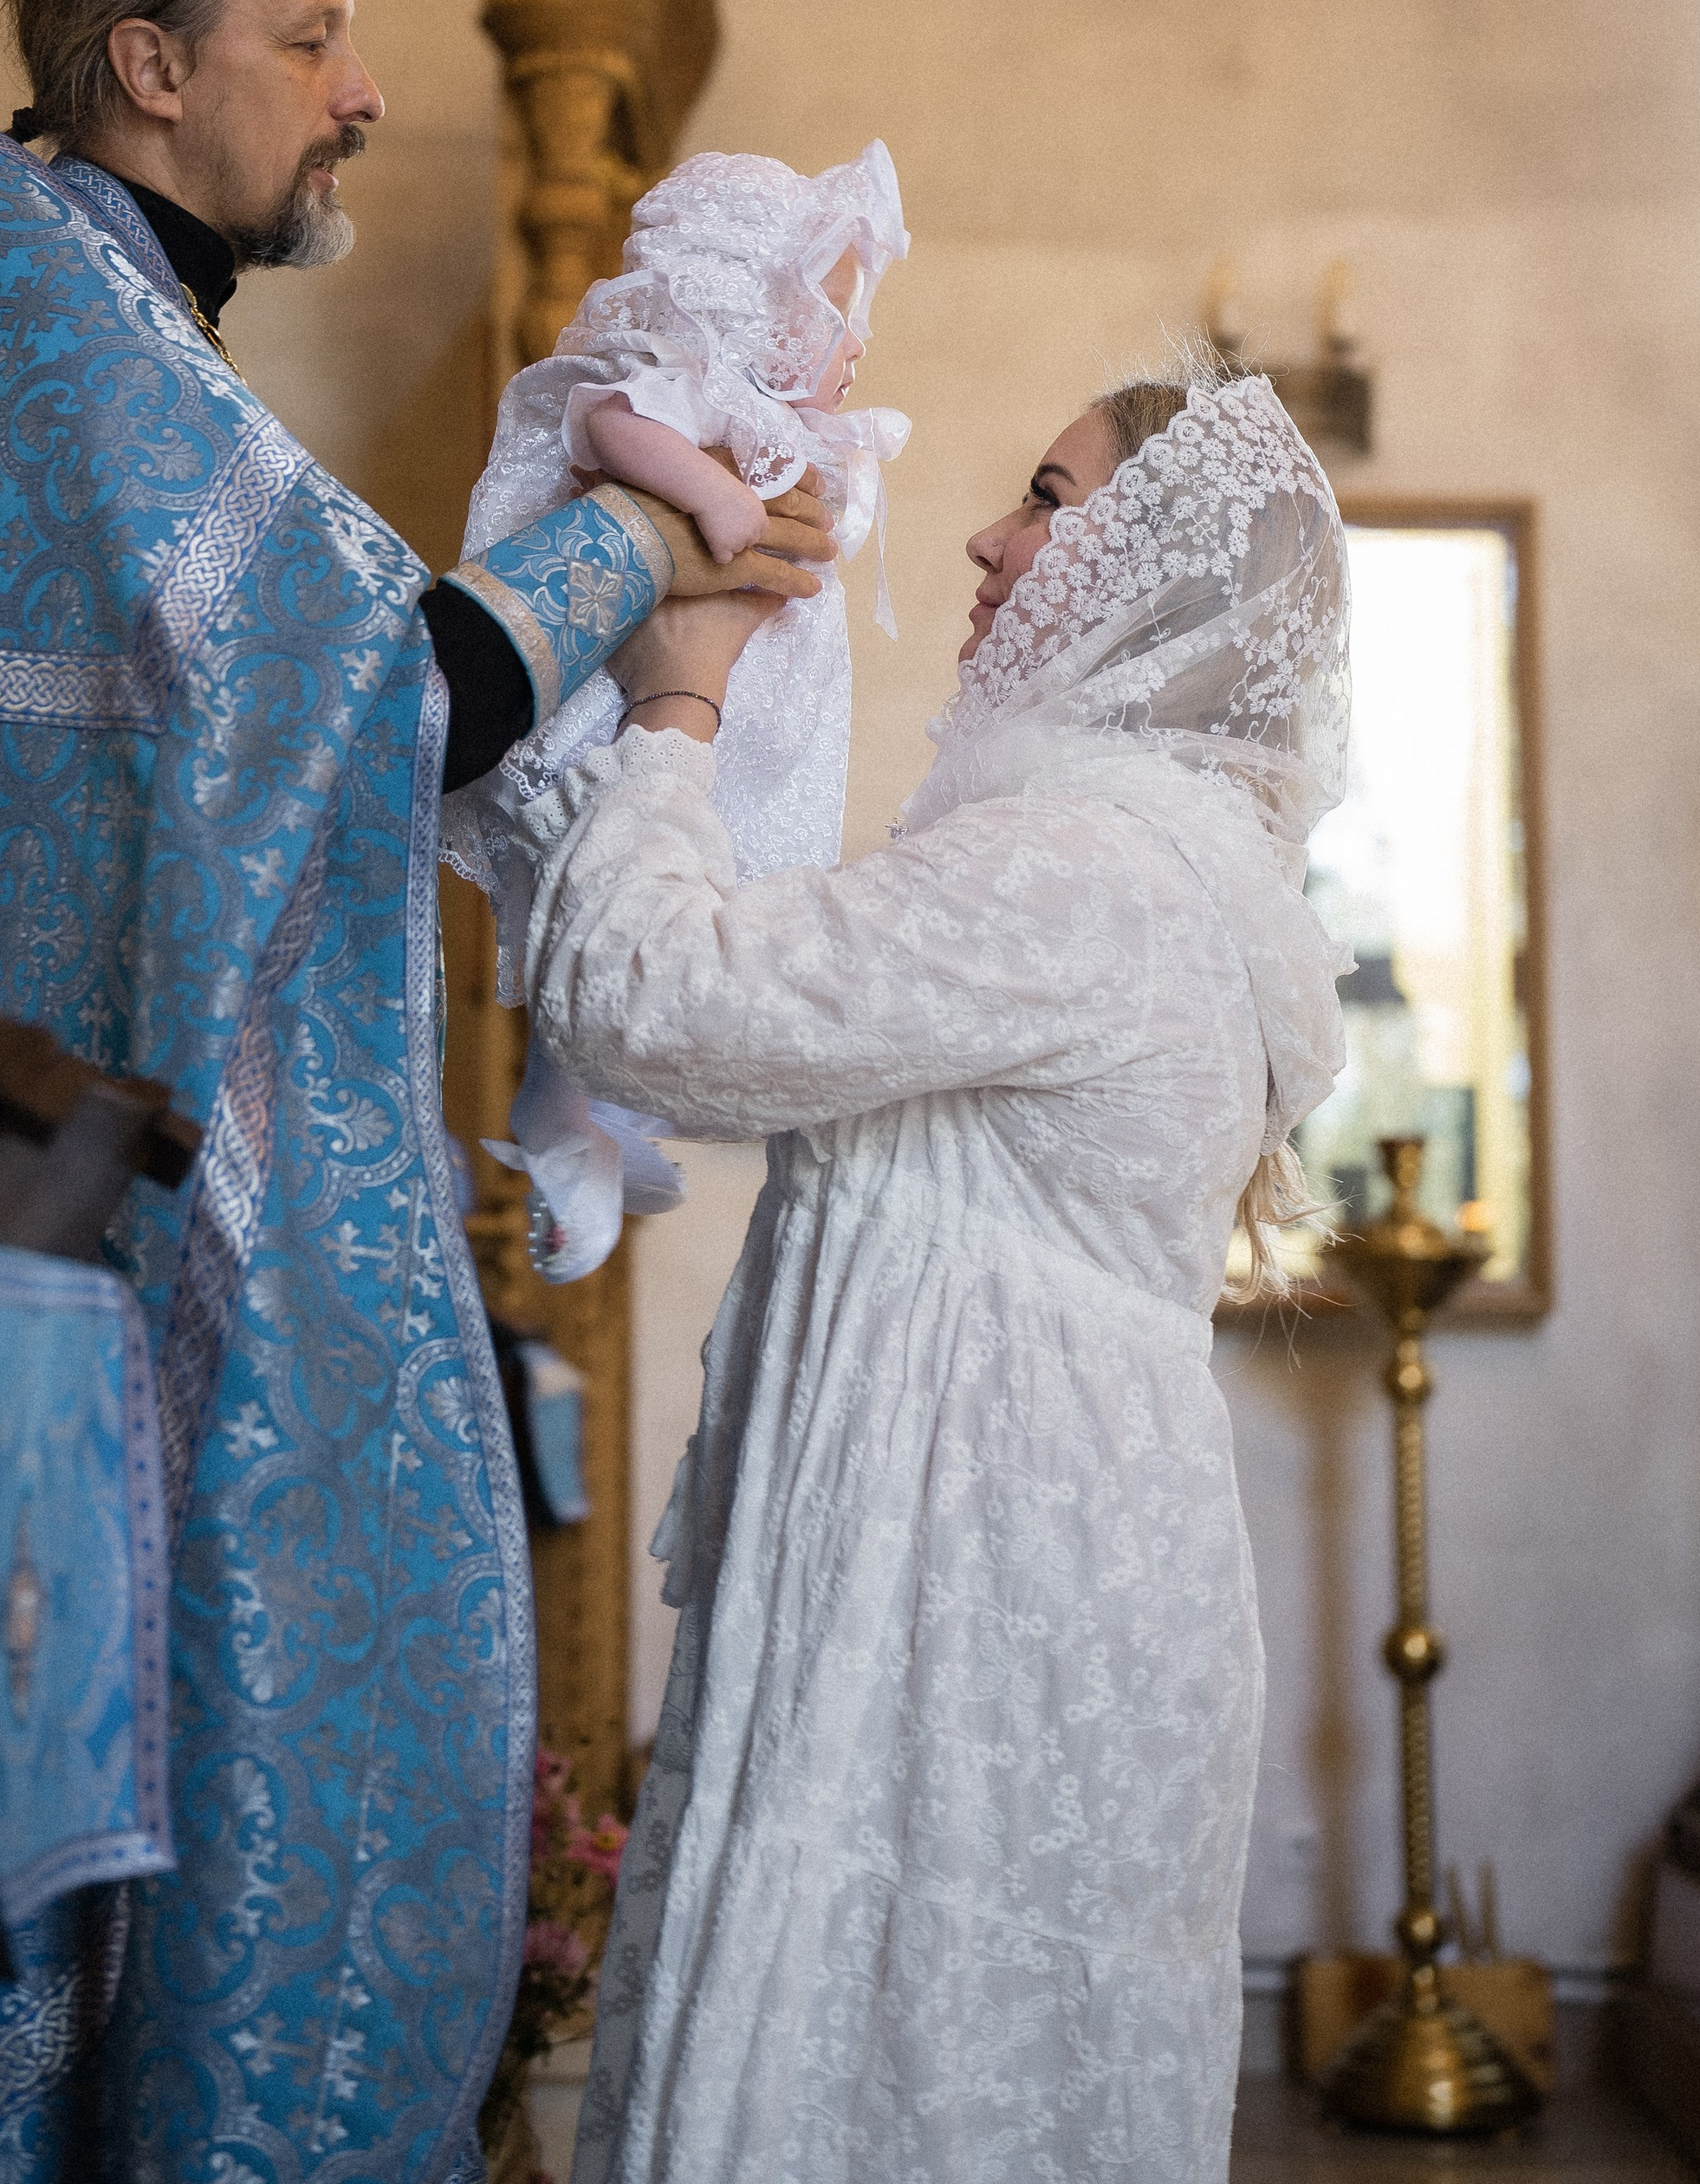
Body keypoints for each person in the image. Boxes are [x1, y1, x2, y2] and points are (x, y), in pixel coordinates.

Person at [0, 0, 834, 2184]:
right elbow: (361, 696)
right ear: (149, 65)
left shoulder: (85, 325)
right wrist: (643, 548)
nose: (364, 90)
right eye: (313, 37)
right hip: (117, 1260)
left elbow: (305, 687)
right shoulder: (66, 334)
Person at [508, 364, 1350, 2184]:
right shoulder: (1159, 873)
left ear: (1148, 579)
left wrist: (674, 704)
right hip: (1067, 1557)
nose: (988, 534)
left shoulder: (1078, 872)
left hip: (973, 1571)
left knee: (888, 2056)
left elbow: (650, 1000)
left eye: (1046, 500)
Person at [442, 141, 910, 1280]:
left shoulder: (784, 426)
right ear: (745, 306)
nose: (858, 343)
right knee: (607, 887)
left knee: (693, 904)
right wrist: (712, 496)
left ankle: (608, 1118)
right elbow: (606, 422)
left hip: (740, 729)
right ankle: (564, 1121)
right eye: (832, 314)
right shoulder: (690, 389)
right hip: (620, 709)